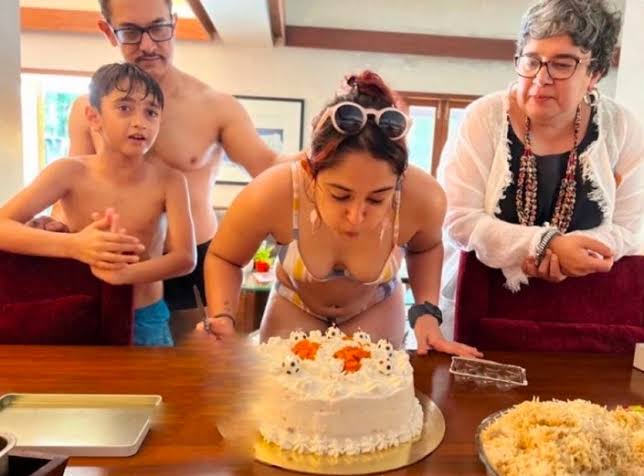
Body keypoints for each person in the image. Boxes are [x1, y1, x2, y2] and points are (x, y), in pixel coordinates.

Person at [200, 71, 482, 358]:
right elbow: (225, 257)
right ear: (310, 171)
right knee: (282, 384)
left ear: (399, 179)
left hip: (376, 307)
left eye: (377, 198)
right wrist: (223, 315)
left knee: (374, 384)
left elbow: (425, 249)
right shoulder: (272, 192)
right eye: (340, 195)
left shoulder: (424, 197)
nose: (356, 216)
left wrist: (426, 314)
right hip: (295, 304)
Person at [36, 0, 279, 311]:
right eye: (130, 32)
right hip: (108, 263)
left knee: (188, 346)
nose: (148, 45)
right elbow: (74, 186)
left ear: (173, 24)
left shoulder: (216, 106)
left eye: (158, 28)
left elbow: (269, 166)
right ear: (108, 32)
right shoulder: (88, 110)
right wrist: (58, 226)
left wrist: (326, 147)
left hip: (189, 267)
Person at [438, 0, 644, 333]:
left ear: (595, 74)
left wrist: (569, 256)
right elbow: (459, 220)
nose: (541, 78)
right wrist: (547, 243)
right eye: (532, 60)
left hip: (583, 305)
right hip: (484, 300)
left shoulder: (621, 127)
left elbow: (625, 228)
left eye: (562, 64)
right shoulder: (485, 117)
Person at [0, 63, 196, 346]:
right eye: (125, 108)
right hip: (86, 312)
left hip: (145, 315)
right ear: (94, 117)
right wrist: (74, 244)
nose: (140, 122)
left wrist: (126, 274)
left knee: (151, 376)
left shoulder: (171, 181)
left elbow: (185, 257)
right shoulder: (67, 172)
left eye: (151, 112)